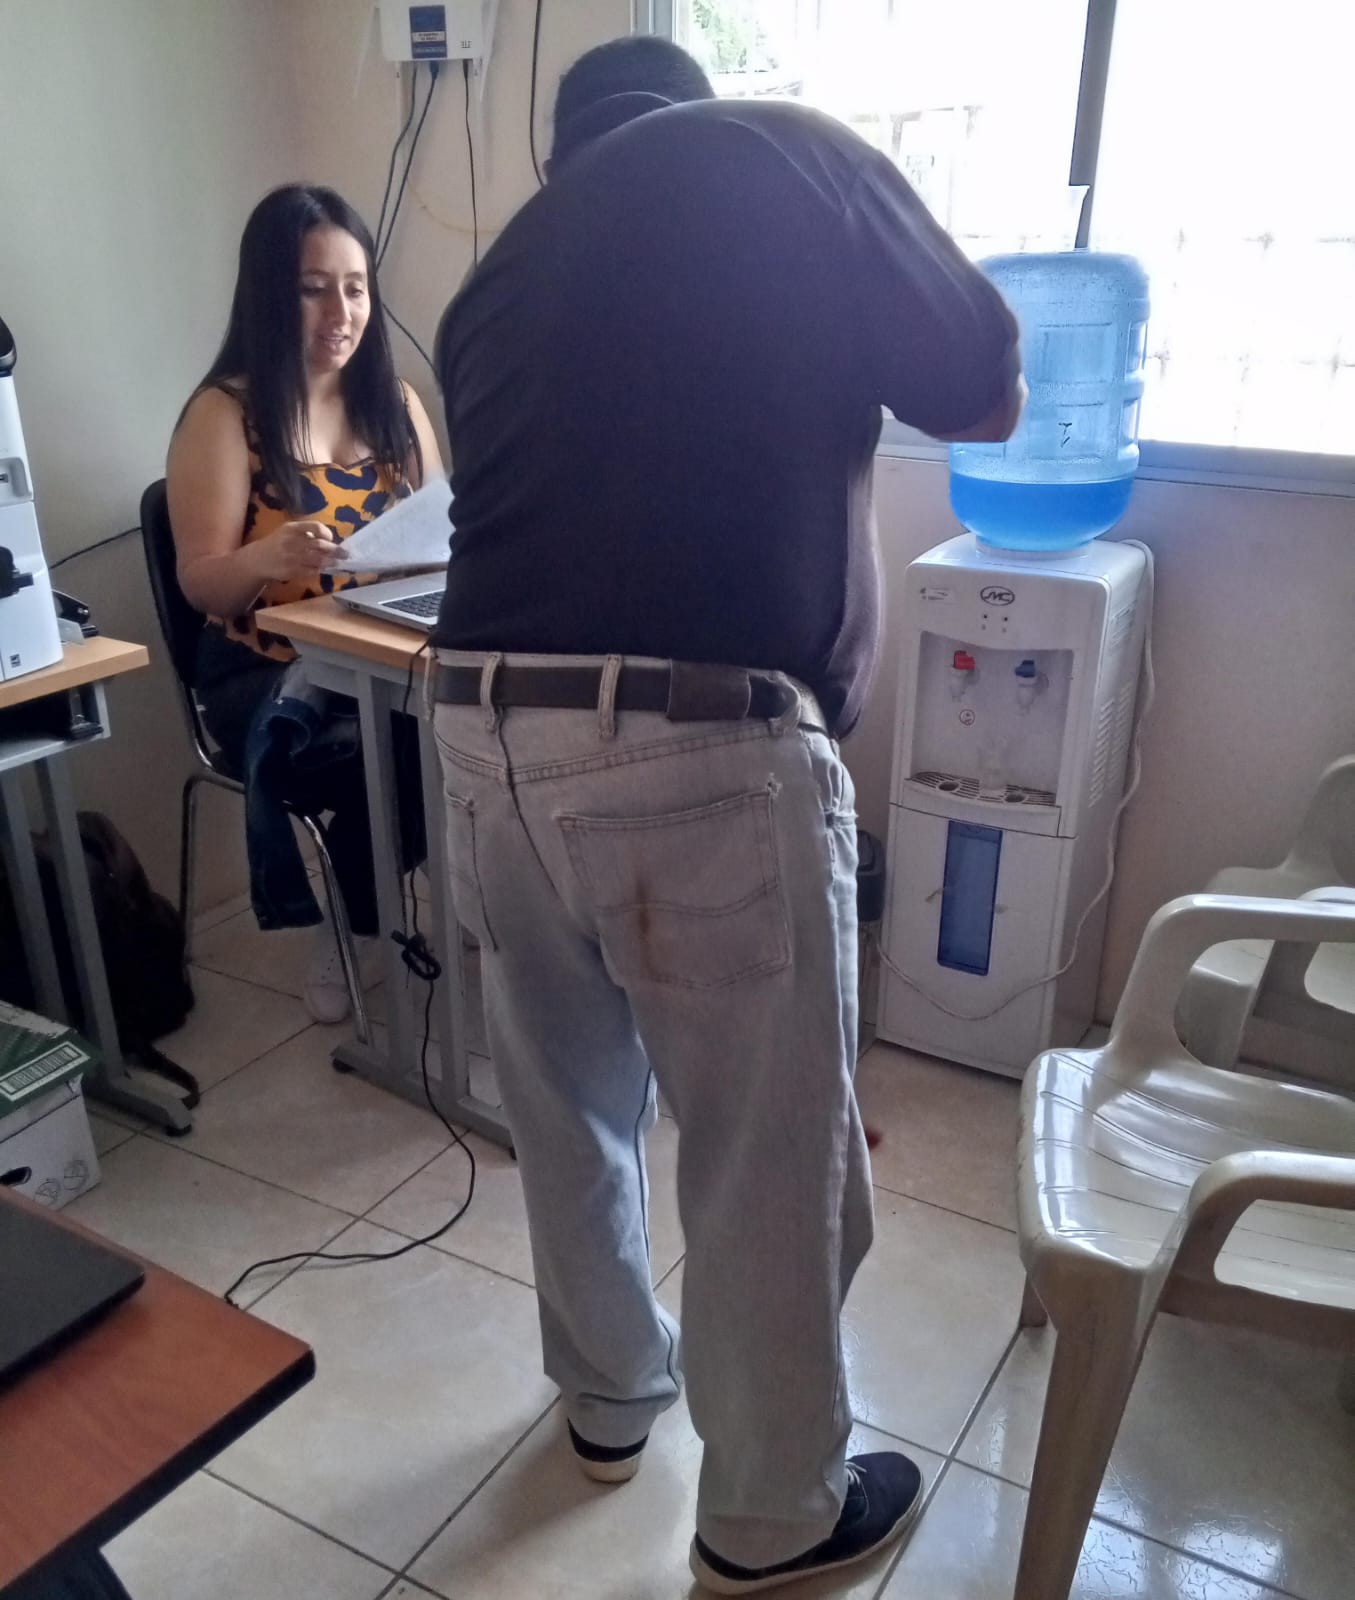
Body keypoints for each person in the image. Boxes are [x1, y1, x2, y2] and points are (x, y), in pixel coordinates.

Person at [430, 36, 1022, 1595]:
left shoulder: (492, 282)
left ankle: (606, 1400)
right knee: (763, 1156)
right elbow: (988, 389)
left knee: (563, 1105)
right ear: (687, 109)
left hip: (478, 731)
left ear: (564, 156)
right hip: (695, 743)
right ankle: (769, 1522)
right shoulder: (784, 154)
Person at [168, 184, 443, 1022]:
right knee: (382, 749)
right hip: (265, 668)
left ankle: (434, 896)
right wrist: (264, 556)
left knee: (465, 726)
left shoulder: (394, 402)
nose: (341, 312)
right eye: (313, 288)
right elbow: (202, 583)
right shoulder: (225, 414)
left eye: (355, 288)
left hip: (378, 650)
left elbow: (441, 533)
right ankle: (356, 926)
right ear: (268, 295)